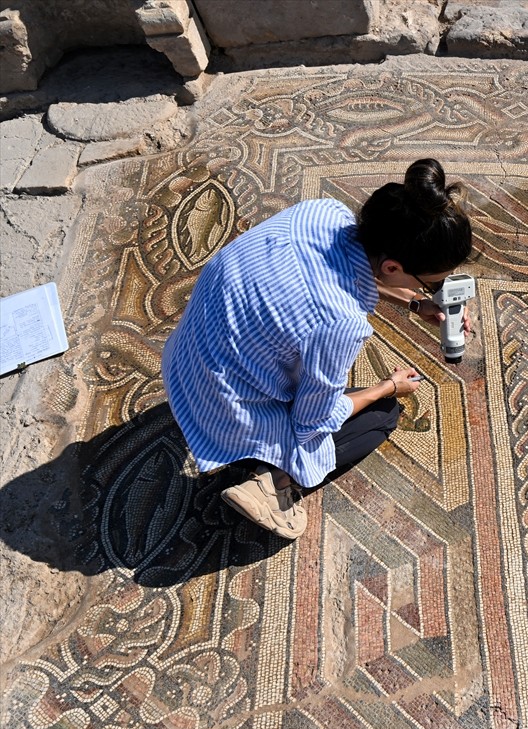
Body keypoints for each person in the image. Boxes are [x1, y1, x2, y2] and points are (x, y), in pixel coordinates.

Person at [161, 158, 472, 539]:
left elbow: (343, 275)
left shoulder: (323, 213)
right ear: (392, 267)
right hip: (219, 409)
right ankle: (271, 482)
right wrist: (388, 387)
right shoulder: (341, 323)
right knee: (381, 417)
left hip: (183, 359)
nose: (431, 290)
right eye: (430, 284)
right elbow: (312, 423)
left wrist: (414, 302)